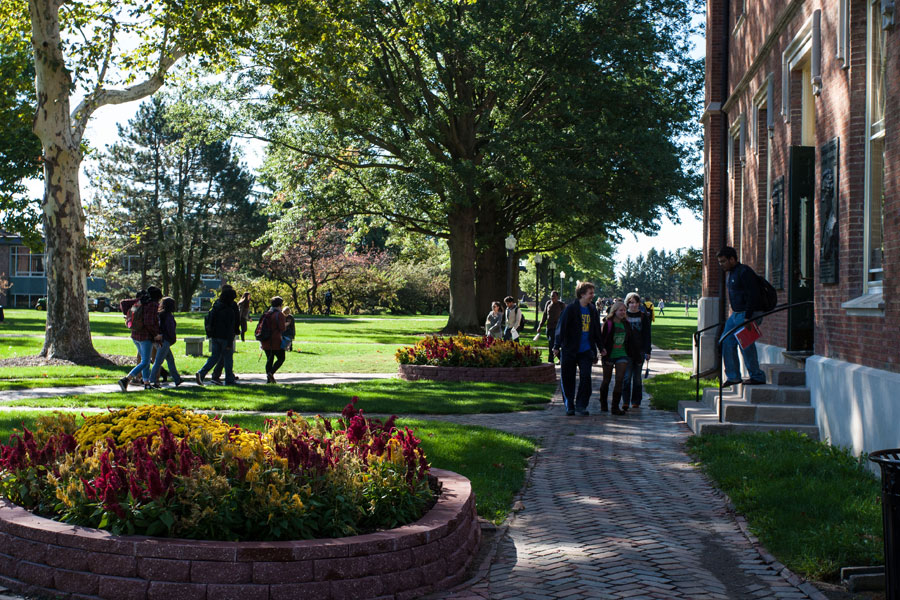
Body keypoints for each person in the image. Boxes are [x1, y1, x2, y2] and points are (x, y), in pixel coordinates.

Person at [717, 246, 766, 386]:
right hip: (736, 314)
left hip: (748, 313)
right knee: (726, 341)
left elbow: (754, 294)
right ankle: (733, 376)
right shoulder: (731, 273)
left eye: (723, 261)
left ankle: (757, 376)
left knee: (746, 344)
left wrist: (748, 317)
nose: (721, 265)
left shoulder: (745, 272)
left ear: (732, 259)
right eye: (720, 262)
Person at [553, 282, 603, 416]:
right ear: (582, 294)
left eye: (593, 293)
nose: (593, 295)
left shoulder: (592, 310)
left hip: (586, 351)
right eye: (590, 293)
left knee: (586, 377)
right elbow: (561, 328)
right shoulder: (570, 309)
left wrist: (600, 347)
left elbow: (596, 331)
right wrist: (557, 346)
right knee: (567, 378)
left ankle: (581, 404)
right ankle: (569, 404)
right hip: (570, 349)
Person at [598, 300, 643, 415]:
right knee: (606, 381)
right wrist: (602, 350)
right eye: (620, 310)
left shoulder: (626, 324)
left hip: (622, 355)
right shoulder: (608, 323)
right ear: (615, 311)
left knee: (619, 381)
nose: (623, 312)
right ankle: (603, 403)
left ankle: (615, 407)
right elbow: (601, 339)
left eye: (624, 310)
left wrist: (637, 356)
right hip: (609, 355)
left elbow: (631, 341)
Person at [119, 286, 162, 391]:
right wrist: (156, 335)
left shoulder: (140, 302)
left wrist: (129, 315)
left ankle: (147, 383)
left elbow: (124, 304)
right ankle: (126, 379)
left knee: (145, 361)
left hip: (135, 335)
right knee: (145, 362)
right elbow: (149, 322)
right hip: (145, 337)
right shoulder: (152, 305)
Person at [196, 287, 239, 386]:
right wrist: (229, 342)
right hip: (225, 337)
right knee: (228, 359)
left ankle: (201, 373)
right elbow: (230, 328)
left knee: (214, 357)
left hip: (215, 336)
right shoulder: (229, 311)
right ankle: (229, 379)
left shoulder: (215, 307)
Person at [623, 292, 652, 409]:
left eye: (635, 302)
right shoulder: (624, 315)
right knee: (626, 377)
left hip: (639, 351)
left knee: (637, 379)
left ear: (639, 303)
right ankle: (625, 401)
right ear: (627, 303)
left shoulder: (643, 316)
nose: (633, 305)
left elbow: (647, 335)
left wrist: (648, 351)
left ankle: (636, 401)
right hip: (626, 351)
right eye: (630, 303)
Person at [149, 297, 184, 387]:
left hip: (158, 341)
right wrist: (171, 338)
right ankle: (152, 380)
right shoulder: (168, 316)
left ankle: (177, 379)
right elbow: (170, 330)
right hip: (164, 341)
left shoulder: (159, 314)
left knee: (170, 360)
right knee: (158, 361)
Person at [210, 284, 241, 384]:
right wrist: (237, 330)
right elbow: (236, 319)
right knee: (226, 356)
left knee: (222, 356)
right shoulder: (232, 305)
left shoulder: (217, 303)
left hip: (216, 333)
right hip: (227, 333)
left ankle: (225, 375)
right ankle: (220, 375)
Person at [259, 296, 288, 383]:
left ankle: (269, 379)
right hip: (275, 341)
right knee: (281, 358)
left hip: (265, 340)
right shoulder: (279, 314)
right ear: (280, 305)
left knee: (269, 359)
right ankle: (271, 373)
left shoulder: (267, 313)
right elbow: (282, 328)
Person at [537, 291, 565, 363]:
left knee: (552, 345)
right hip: (549, 327)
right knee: (553, 345)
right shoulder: (548, 303)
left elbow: (565, 317)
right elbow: (544, 315)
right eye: (551, 296)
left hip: (557, 328)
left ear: (557, 297)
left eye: (554, 296)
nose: (552, 298)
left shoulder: (561, 305)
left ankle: (550, 361)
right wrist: (540, 326)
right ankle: (561, 359)